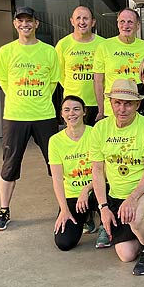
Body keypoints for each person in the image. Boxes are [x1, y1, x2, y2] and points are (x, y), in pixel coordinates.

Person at [0, 6, 60, 231]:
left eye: (29, 20)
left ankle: (65, 206)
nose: (25, 24)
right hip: (15, 116)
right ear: (15, 24)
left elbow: (52, 82)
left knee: (56, 163)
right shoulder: (6, 51)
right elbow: (4, 82)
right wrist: (20, 99)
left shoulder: (49, 51)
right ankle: (3, 210)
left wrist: (38, 100)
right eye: (20, 21)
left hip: (44, 115)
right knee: (10, 164)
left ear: (36, 24)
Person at [91, 79, 144, 275]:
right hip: (116, 194)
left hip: (143, 189)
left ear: (137, 104)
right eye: (117, 102)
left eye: (128, 103)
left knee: (136, 215)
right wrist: (103, 207)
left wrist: (133, 198)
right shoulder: (100, 129)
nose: (122, 108)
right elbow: (97, 170)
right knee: (126, 254)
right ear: (111, 103)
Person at [49, 95, 101, 250]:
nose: (72, 113)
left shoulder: (95, 133)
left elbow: (104, 170)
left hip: (97, 190)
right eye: (67, 110)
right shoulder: (55, 141)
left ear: (84, 112)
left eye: (76, 109)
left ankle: (101, 220)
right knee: (64, 243)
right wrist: (64, 210)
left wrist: (86, 189)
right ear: (62, 114)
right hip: (72, 195)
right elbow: (57, 179)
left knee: (117, 226)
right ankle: (85, 217)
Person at [93, 8, 144, 121]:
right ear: (117, 23)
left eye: (130, 22)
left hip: (139, 107)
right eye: (122, 21)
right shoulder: (104, 46)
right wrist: (101, 110)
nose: (126, 25)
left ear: (138, 25)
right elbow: (98, 81)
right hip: (113, 109)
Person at [55, 6, 104, 125]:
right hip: (72, 104)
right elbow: (58, 73)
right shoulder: (63, 44)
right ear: (72, 21)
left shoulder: (103, 44)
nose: (82, 22)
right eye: (78, 18)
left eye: (86, 18)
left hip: (97, 103)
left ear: (93, 22)